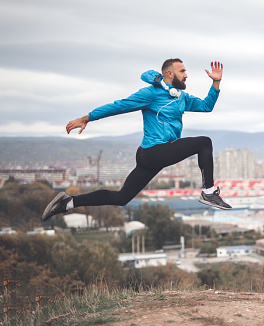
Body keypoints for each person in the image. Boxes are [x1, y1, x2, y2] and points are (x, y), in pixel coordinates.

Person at [42, 58, 231, 222]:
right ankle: (208, 192)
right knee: (204, 142)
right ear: (169, 73)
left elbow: (207, 106)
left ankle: (67, 202)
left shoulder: (181, 97)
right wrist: (87, 117)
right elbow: (119, 106)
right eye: (182, 71)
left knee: (121, 198)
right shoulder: (150, 94)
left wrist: (216, 83)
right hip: (155, 151)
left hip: (151, 155)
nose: (186, 75)